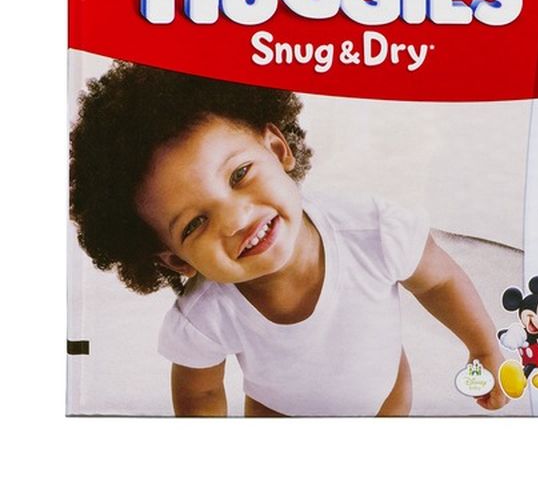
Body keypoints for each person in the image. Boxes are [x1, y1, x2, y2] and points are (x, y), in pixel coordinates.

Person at [70, 62, 507, 416]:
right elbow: (200, 394)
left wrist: (483, 348)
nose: (237, 219)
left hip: (387, 401)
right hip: (277, 416)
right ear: (178, 260)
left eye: (239, 175)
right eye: (195, 223)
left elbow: (439, 281)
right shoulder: (205, 316)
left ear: (278, 150)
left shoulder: (373, 232)